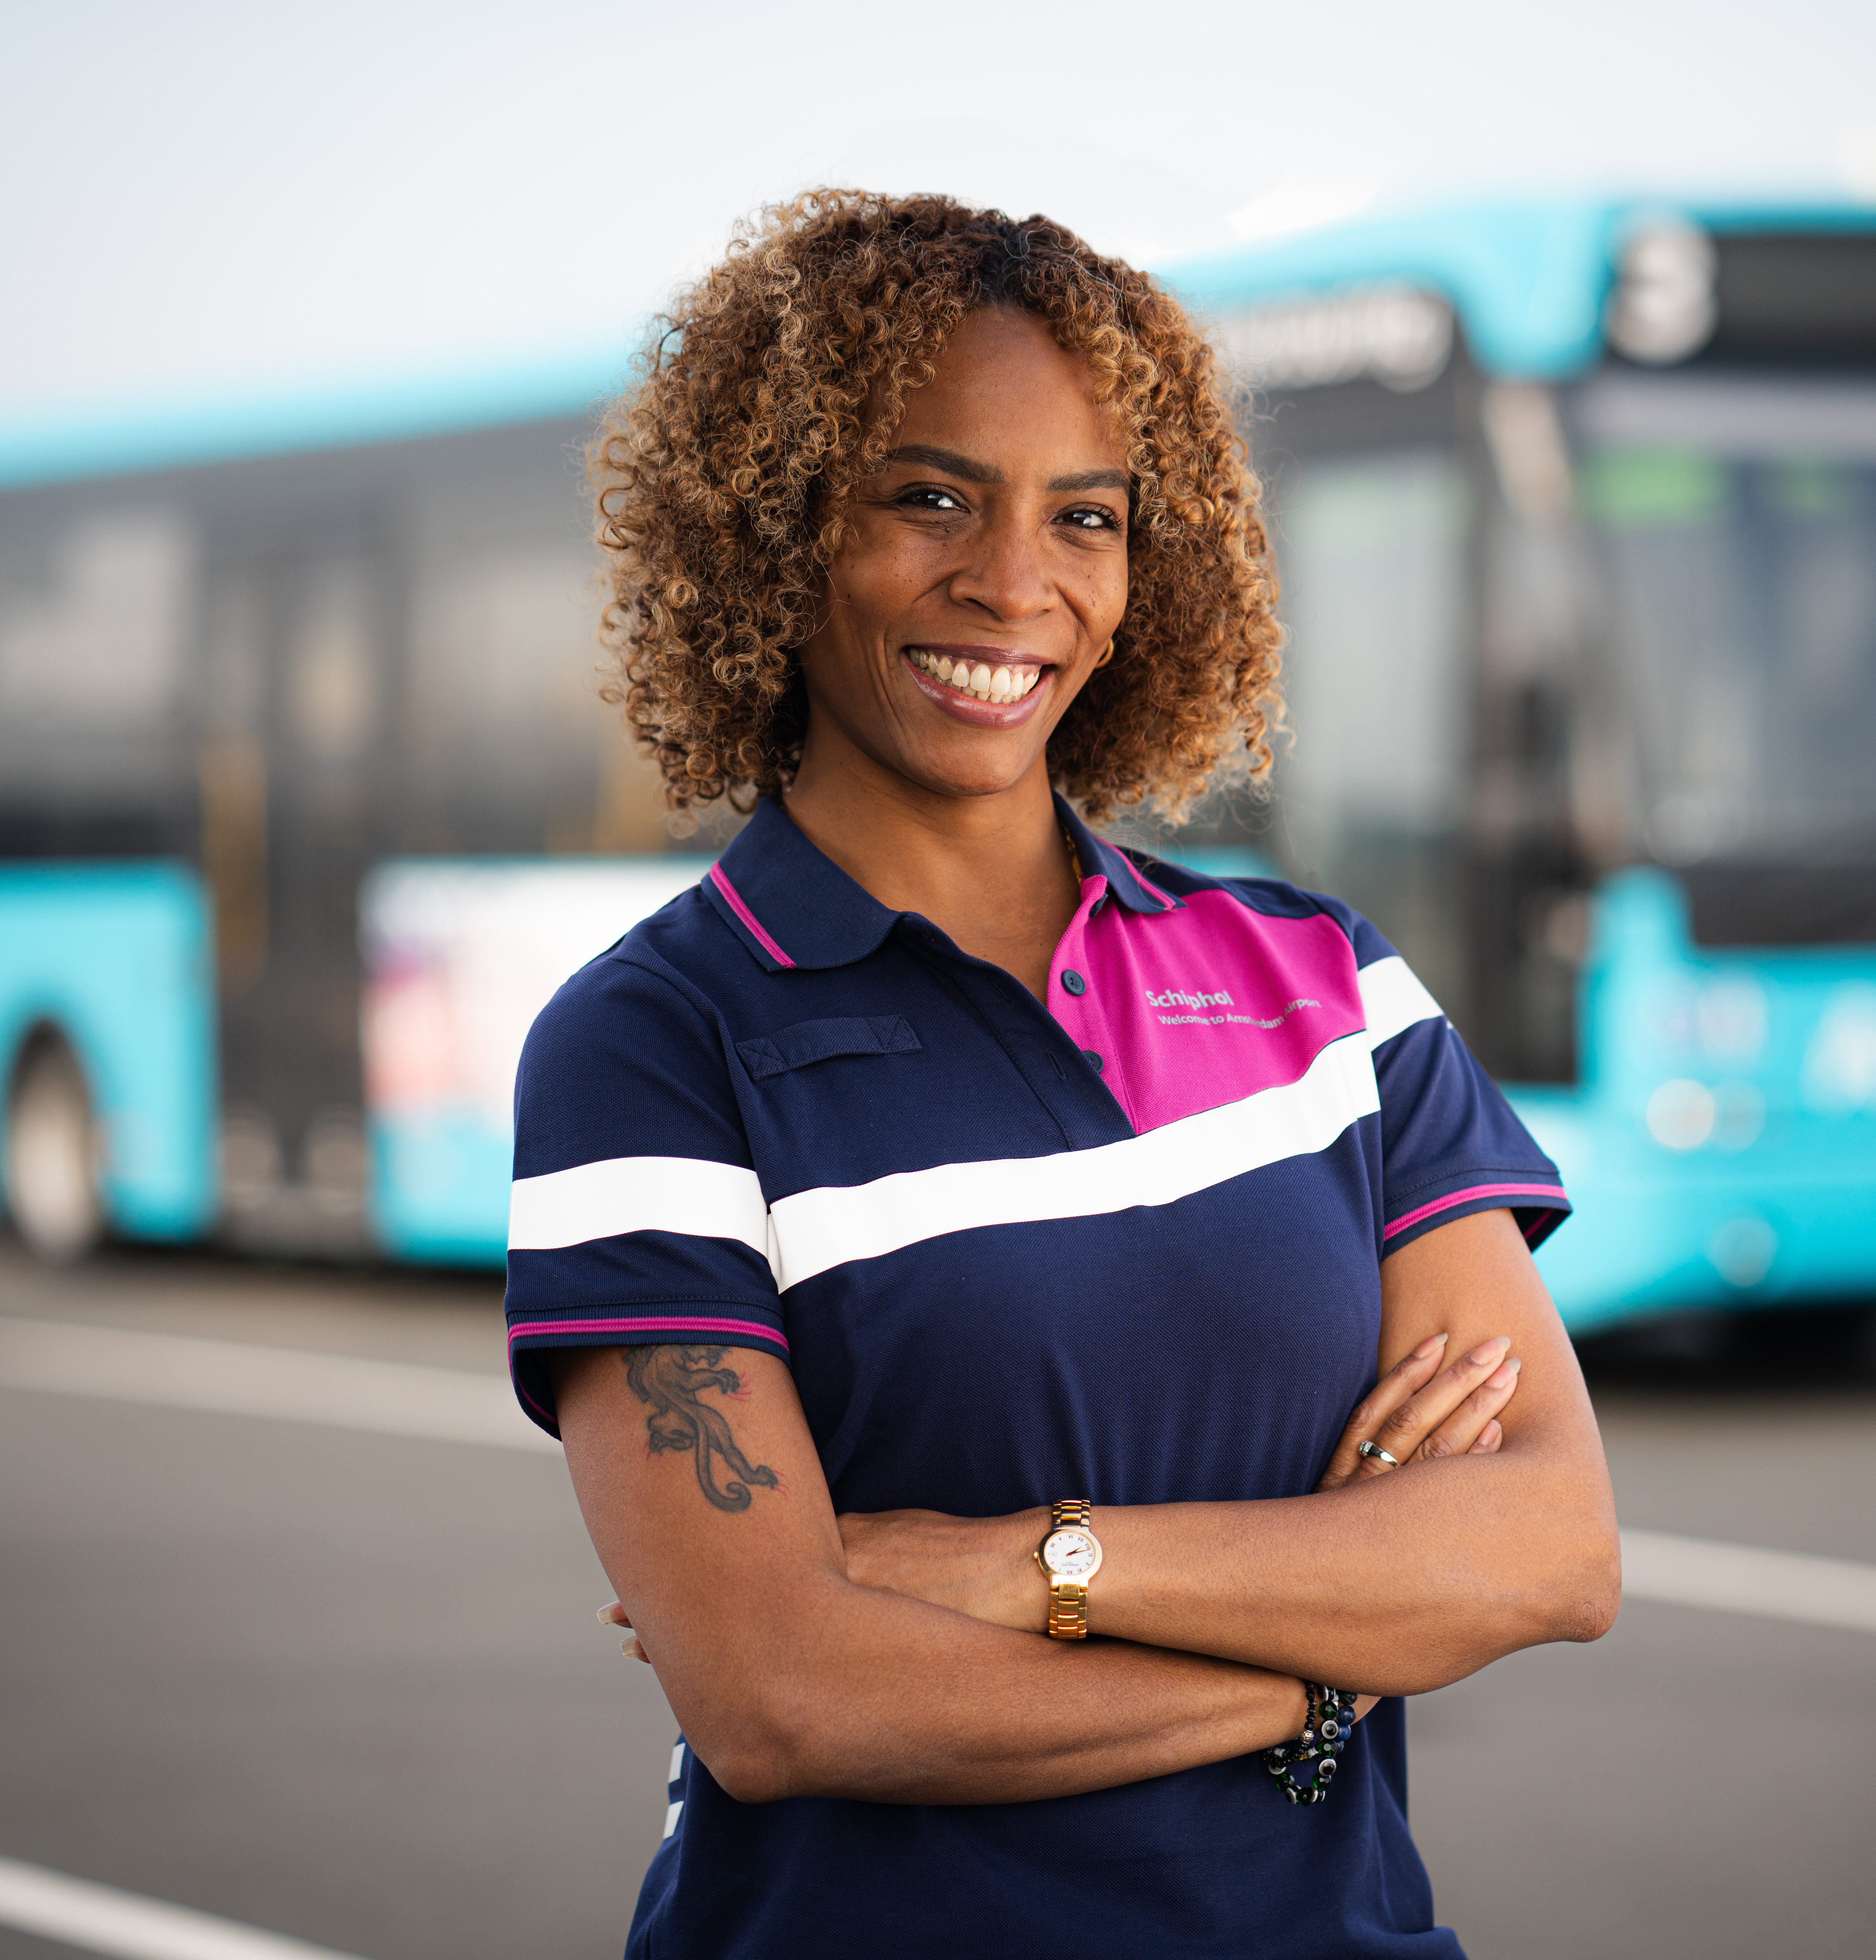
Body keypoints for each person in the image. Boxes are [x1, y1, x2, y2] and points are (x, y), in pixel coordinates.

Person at [506, 188, 1620, 1959]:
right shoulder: (655, 1044)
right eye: (928, 496)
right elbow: (789, 1697)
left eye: (1083, 517)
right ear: (778, 530)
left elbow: (1548, 1548)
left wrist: (1040, 1564)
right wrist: (1322, 1674)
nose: (1012, 583)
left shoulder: (1325, 990)